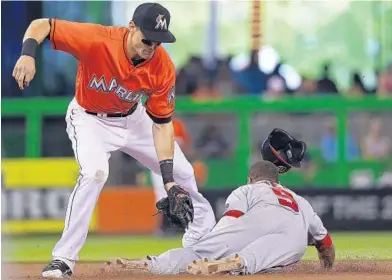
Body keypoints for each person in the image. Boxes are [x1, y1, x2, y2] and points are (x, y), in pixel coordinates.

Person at [12, 2, 216, 278]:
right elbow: (42, 25)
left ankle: (202, 244)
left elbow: (162, 124)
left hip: (133, 118)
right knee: (95, 173)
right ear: (131, 27)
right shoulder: (98, 39)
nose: (151, 46)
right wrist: (28, 54)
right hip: (89, 119)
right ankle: (63, 259)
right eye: (147, 39)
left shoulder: (161, 64)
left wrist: (168, 180)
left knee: (183, 172)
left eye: (158, 41)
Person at [107, 129, 335, 275]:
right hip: (292, 238)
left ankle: (147, 264)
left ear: (251, 179)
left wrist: (213, 245)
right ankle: (238, 263)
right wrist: (326, 266)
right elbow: (326, 244)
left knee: (197, 252)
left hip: (255, 223)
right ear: (277, 178)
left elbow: (231, 221)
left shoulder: (246, 190)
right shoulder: (301, 201)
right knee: (271, 252)